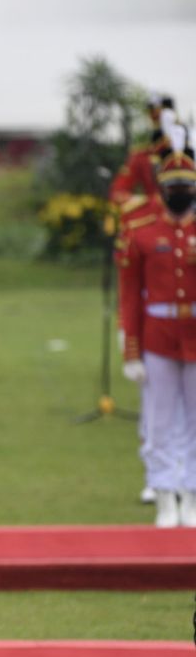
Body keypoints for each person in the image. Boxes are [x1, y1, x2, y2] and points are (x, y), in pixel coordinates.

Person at [116, 124, 196, 528]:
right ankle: (165, 492)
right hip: (158, 337)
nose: (180, 192)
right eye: (174, 185)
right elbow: (130, 294)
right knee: (160, 419)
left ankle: (192, 493)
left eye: (187, 185)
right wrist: (130, 348)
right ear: (162, 189)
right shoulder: (141, 231)